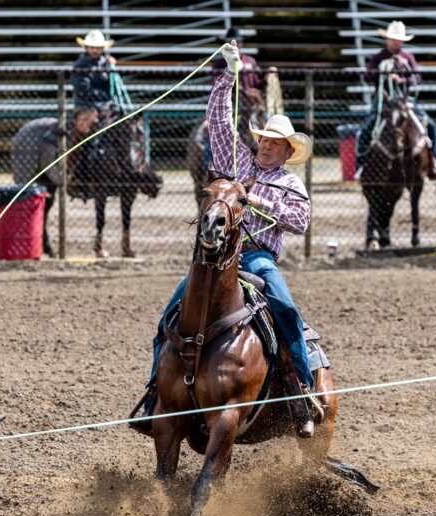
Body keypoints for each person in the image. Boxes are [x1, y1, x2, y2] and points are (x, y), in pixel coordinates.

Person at [134, 41, 318, 438]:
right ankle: (155, 394)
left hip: (256, 261)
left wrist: (257, 198)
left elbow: (300, 221)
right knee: (170, 316)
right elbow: (218, 121)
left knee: (286, 312)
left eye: (275, 143)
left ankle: (300, 391)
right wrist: (227, 75)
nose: (267, 146)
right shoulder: (238, 161)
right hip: (214, 256)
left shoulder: (289, 184)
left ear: (287, 152)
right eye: (264, 140)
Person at [355, 20, 436, 180]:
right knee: (365, 130)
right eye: (393, 38)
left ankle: (434, 161)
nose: (396, 42)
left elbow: (417, 78)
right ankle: (360, 165)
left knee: (431, 126)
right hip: (383, 103)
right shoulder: (378, 58)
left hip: (405, 101)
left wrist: (401, 80)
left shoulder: (407, 58)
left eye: (398, 39)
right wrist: (382, 74)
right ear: (387, 39)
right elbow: (367, 76)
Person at [205, 27, 268, 171]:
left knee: (267, 122)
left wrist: (267, 78)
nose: (237, 45)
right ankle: (208, 166)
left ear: (242, 43)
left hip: (251, 104)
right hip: (231, 105)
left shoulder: (251, 61)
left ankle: (269, 161)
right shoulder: (219, 64)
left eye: (239, 42)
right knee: (212, 132)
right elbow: (216, 84)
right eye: (233, 42)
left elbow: (257, 83)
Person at [71, 29, 116, 134]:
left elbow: (111, 86)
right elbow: (83, 90)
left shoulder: (106, 64)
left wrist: (112, 68)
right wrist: (105, 96)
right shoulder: (80, 66)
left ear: (102, 49)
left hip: (105, 105)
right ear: (86, 48)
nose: (95, 50)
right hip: (84, 105)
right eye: (92, 47)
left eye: (98, 48)